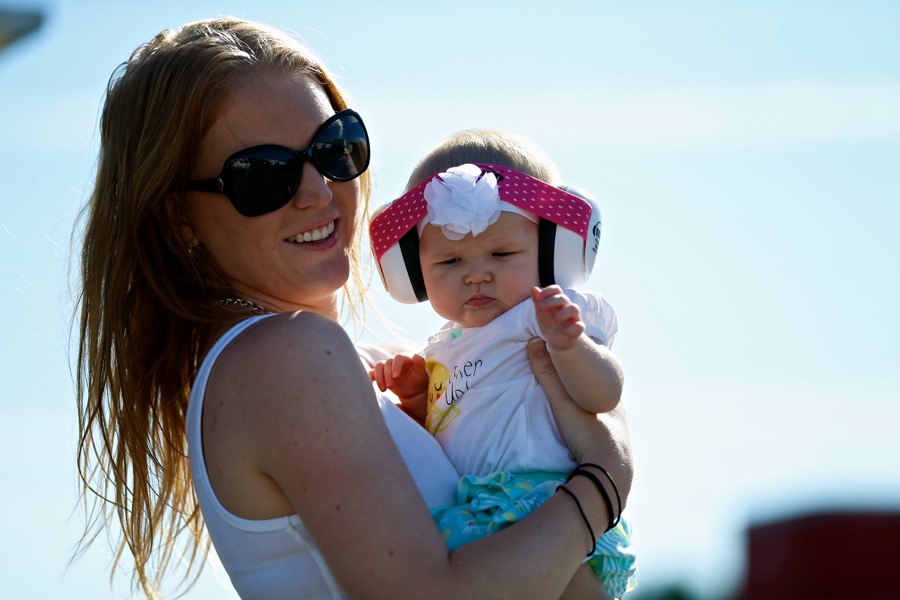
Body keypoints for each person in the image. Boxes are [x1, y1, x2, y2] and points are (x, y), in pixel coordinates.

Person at [73, 17, 634, 600]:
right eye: (263, 174)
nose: (318, 191)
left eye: (333, 148)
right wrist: (605, 479)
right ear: (179, 218)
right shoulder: (286, 355)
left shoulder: (350, 365)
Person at [368, 130, 636, 598]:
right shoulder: (440, 350)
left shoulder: (547, 314)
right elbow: (445, 434)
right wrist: (418, 399)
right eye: (450, 260)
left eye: (502, 253)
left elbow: (604, 395)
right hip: (475, 511)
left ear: (552, 249)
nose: (476, 274)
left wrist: (571, 346)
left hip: (549, 497)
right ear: (413, 269)